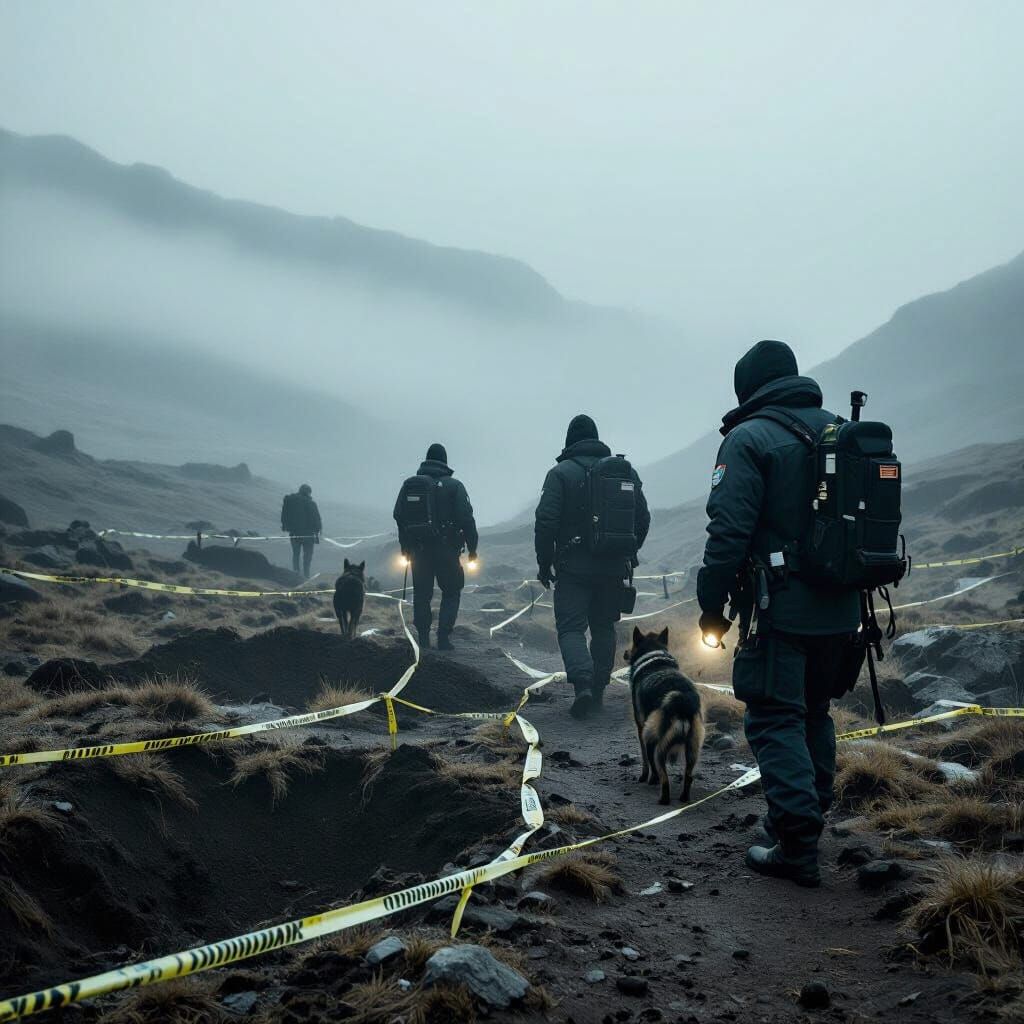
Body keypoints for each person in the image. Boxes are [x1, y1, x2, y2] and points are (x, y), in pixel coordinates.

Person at [697, 340, 862, 888]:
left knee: (773, 715)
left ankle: (796, 844)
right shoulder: (841, 431)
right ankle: (803, 820)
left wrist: (711, 607)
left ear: (749, 387)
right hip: (843, 607)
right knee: (815, 711)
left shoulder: (748, 439)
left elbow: (727, 532)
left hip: (781, 608)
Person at [535, 414, 651, 720]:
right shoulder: (625, 473)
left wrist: (544, 563)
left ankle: (582, 685)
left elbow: (546, 521)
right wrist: (629, 551)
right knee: (603, 627)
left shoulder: (560, 473)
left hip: (573, 568)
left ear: (570, 441)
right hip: (614, 567)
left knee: (571, 628)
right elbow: (643, 519)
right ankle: (599, 688)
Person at [394, 443, 478, 651]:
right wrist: (473, 549)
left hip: (419, 550)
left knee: (422, 594)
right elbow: (467, 519)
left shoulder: (410, 485)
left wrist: (405, 547)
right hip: (447, 550)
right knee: (451, 591)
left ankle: (423, 639)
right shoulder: (454, 486)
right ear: (445, 461)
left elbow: (399, 516)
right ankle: (443, 638)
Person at [281, 483, 322, 579]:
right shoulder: (311, 503)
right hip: (308, 535)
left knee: (296, 554)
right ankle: (306, 575)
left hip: (294, 533)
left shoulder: (290, 501)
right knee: (307, 557)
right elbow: (316, 518)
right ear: (308, 492)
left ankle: (296, 574)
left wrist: (285, 526)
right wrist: (318, 530)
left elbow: (284, 515)